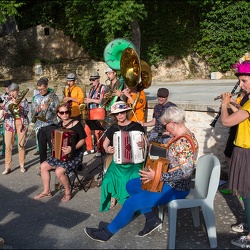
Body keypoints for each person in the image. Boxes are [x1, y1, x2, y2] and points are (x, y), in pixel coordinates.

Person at [84, 106, 199, 241]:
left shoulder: (183, 142)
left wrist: (157, 176)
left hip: (176, 188)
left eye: (165, 125)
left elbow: (185, 172)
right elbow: (168, 154)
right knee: (131, 185)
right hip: (168, 182)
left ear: (173, 123)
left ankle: (106, 234)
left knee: (131, 203)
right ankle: (151, 219)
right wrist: (146, 143)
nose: (165, 128)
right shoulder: (179, 136)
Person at [220, 60, 250, 248]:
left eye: (245, 80)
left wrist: (224, 105)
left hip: (246, 151)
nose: (241, 84)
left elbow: (226, 122)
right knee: (246, 194)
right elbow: (241, 113)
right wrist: (231, 103)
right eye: (240, 81)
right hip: (243, 149)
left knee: (247, 194)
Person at [34, 102, 86, 202]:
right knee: (43, 166)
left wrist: (72, 148)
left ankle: (68, 192)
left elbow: (83, 140)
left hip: (74, 155)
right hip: (61, 154)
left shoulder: (76, 124)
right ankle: (46, 191)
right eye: (62, 113)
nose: (65, 114)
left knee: (59, 171)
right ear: (58, 114)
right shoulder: (59, 125)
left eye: (66, 112)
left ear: (69, 112)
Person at [100, 101, 146, 212]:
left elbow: (146, 142)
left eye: (122, 112)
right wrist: (107, 149)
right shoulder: (113, 128)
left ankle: (132, 201)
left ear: (126, 112)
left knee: (135, 176)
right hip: (118, 162)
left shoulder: (137, 126)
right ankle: (115, 195)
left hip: (135, 161)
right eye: (117, 114)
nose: (119, 115)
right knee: (107, 179)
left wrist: (144, 143)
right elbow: (105, 144)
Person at [2, 83, 29, 174]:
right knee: (8, 145)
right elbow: (5, 110)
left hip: (21, 123)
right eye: (11, 91)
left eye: (14, 91)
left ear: (18, 91)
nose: (13, 93)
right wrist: (10, 105)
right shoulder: (6, 100)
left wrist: (19, 105)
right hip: (9, 123)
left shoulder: (24, 100)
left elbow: (26, 112)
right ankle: (7, 167)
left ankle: (22, 165)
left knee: (21, 145)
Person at [31, 77, 59, 155]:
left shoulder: (53, 96)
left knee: (53, 147)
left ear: (46, 87)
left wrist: (48, 107)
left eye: (42, 89)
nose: (40, 91)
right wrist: (36, 110)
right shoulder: (36, 97)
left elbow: (56, 110)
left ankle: (54, 164)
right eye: (38, 89)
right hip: (40, 125)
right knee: (42, 149)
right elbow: (33, 112)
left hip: (51, 123)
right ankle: (43, 164)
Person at [83, 72, 107, 156]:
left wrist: (90, 100)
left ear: (98, 79)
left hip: (99, 110)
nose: (91, 81)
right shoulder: (92, 89)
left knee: (98, 131)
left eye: (93, 80)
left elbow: (102, 101)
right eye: (91, 79)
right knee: (86, 130)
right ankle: (90, 148)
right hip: (90, 111)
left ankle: (100, 150)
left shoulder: (103, 87)